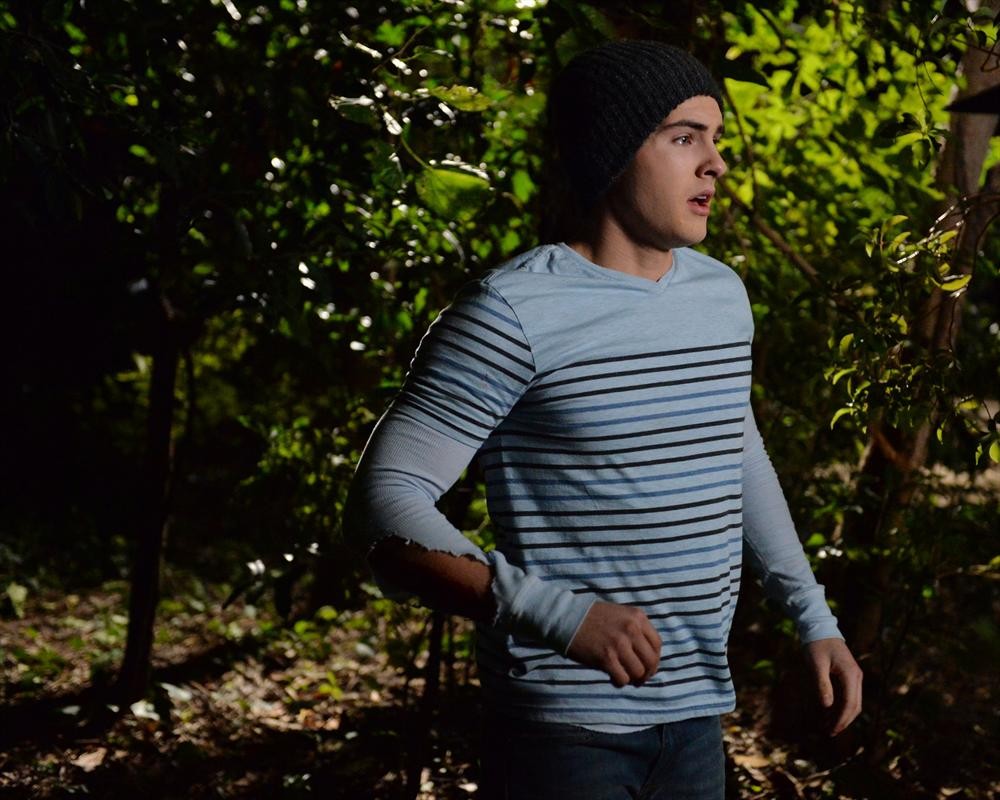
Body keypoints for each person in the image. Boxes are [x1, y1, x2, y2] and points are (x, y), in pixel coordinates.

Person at [343, 39, 862, 800]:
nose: (716, 164)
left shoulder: (721, 296)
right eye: (685, 138)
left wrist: (814, 617)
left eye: (716, 139)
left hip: (696, 716)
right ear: (614, 153)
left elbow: (736, 451)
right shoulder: (512, 312)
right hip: (562, 734)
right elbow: (382, 504)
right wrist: (559, 617)